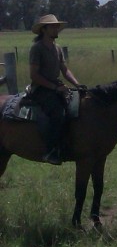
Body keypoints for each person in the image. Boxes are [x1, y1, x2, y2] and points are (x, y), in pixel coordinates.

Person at [28, 14, 82, 165]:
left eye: (57, 26)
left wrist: (77, 84)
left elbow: (65, 70)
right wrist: (55, 88)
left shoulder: (57, 48)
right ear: (44, 30)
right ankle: (50, 150)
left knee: (76, 107)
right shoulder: (37, 49)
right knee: (58, 113)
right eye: (53, 26)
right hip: (41, 89)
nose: (56, 28)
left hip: (57, 87)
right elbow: (34, 75)